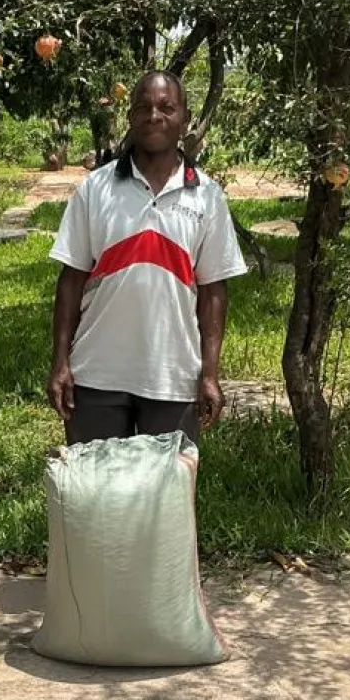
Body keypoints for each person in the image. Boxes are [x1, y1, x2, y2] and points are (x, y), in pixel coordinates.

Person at [47, 70, 248, 445]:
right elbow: (71, 279)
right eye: (143, 107)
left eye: (166, 107)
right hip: (96, 375)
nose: (154, 116)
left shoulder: (207, 196)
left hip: (174, 377)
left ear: (185, 120)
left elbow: (213, 291)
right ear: (130, 118)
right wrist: (60, 362)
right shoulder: (96, 189)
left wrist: (209, 373)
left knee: (164, 499)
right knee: (98, 495)